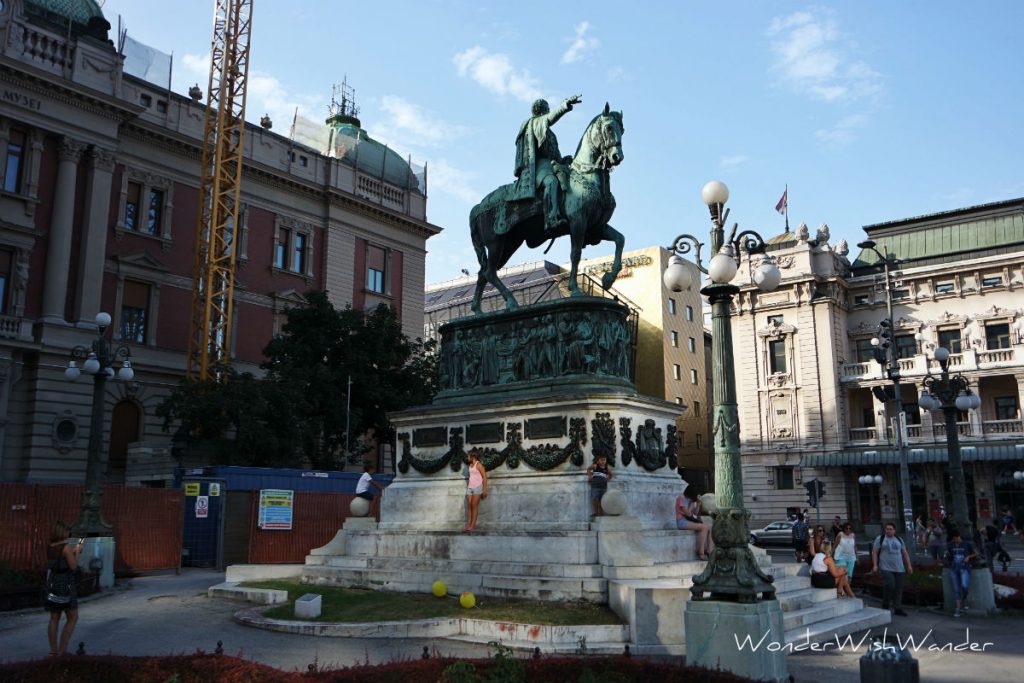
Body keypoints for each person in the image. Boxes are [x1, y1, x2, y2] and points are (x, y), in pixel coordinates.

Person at [512, 95, 582, 238]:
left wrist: (564, 160)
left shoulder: (547, 131)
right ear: (542, 111)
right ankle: (551, 219)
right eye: (547, 109)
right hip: (539, 165)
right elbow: (551, 117)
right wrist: (564, 106)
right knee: (552, 182)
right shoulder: (536, 122)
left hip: (551, 164)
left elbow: (554, 154)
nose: (549, 111)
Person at [45, 521, 82, 656]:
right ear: (62, 532)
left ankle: (53, 651)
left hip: (53, 583)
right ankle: (62, 650)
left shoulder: (50, 547)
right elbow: (73, 567)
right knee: (73, 616)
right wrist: (77, 552)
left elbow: (58, 563)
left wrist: (71, 554)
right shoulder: (65, 547)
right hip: (65, 583)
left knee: (54, 617)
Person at [871, 522, 914, 616]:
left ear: (894, 530)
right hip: (885, 567)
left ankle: (897, 608)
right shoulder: (881, 538)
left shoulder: (899, 539)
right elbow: (875, 552)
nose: (888, 531)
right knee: (890, 585)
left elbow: (904, 553)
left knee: (898, 588)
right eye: (887, 529)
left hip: (899, 567)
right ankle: (886, 603)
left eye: (890, 529)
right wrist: (875, 565)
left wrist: (909, 566)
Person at [945, 530, 977, 617]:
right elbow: (947, 553)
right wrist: (947, 554)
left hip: (965, 568)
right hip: (954, 568)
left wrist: (968, 557)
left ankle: (964, 599)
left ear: (959, 537)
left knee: (964, 585)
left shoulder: (967, 544)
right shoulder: (950, 545)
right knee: (956, 590)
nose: (955, 540)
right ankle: (958, 609)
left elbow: (975, 553)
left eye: (956, 538)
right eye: (954, 539)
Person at [675, 485, 712, 560]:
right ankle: (701, 553)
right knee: (704, 527)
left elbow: (695, 513)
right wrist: (692, 503)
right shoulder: (681, 498)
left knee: (710, 527)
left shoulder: (690, 500)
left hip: (689, 521)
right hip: (682, 522)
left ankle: (709, 550)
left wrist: (698, 504)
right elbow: (688, 513)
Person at [464, 449, 487, 533]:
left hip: (477, 487)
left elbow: (484, 477)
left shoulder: (479, 465)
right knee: (469, 506)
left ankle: (472, 526)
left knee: (474, 506)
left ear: (473, 456)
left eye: (468, 456)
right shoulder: (470, 465)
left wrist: (484, 489)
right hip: (470, 488)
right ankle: (468, 525)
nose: (467, 457)